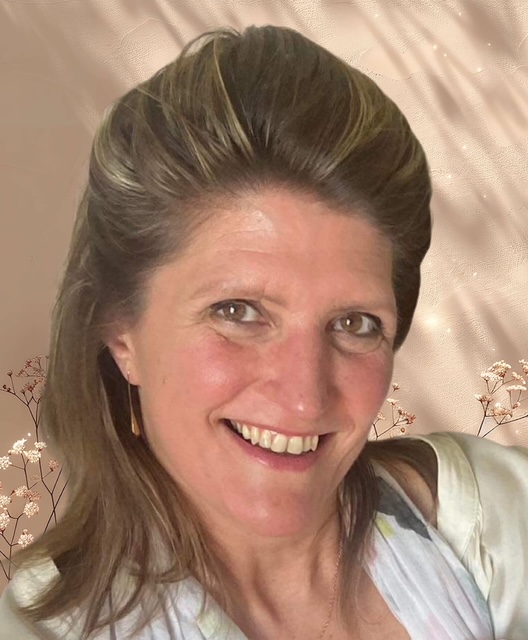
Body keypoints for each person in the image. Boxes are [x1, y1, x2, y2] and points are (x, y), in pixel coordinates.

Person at [0, 24, 526, 640]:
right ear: (121, 333)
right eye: (238, 312)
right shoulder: (40, 630)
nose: (304, 398)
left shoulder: (494, 526)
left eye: (354, 324)